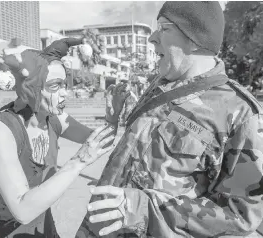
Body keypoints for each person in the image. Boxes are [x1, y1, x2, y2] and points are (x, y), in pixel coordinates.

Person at [76, 2, 263, 237]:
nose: (152, 38)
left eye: (164, 29)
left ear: (195, 38)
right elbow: (143, 145)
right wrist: (114, 119)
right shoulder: (159, 86)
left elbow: (240, 215)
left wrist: (144, 208)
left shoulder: (240, 113)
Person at [0, 38, 130, 237]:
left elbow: (100, 141)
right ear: (32, 87)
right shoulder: (0, 132)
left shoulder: (53, 119)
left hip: (38, 222)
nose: (65, 93)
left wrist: (112, 118)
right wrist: (78, 161)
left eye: (65, 84)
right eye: (55, 86)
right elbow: (22, 209)